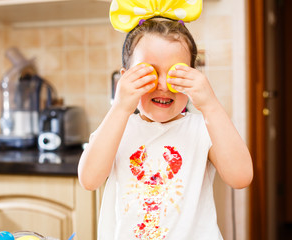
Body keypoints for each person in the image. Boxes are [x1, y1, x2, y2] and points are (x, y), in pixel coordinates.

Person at [78, 0, 253, 239]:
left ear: (194, 77)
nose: (162, 85)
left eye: (175, 74)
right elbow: (89, 180)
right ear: (125, 79)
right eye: (148, 73)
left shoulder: (202, 129)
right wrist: (120, 108)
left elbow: (241, 177)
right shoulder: (118, 128)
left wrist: (210, 104)